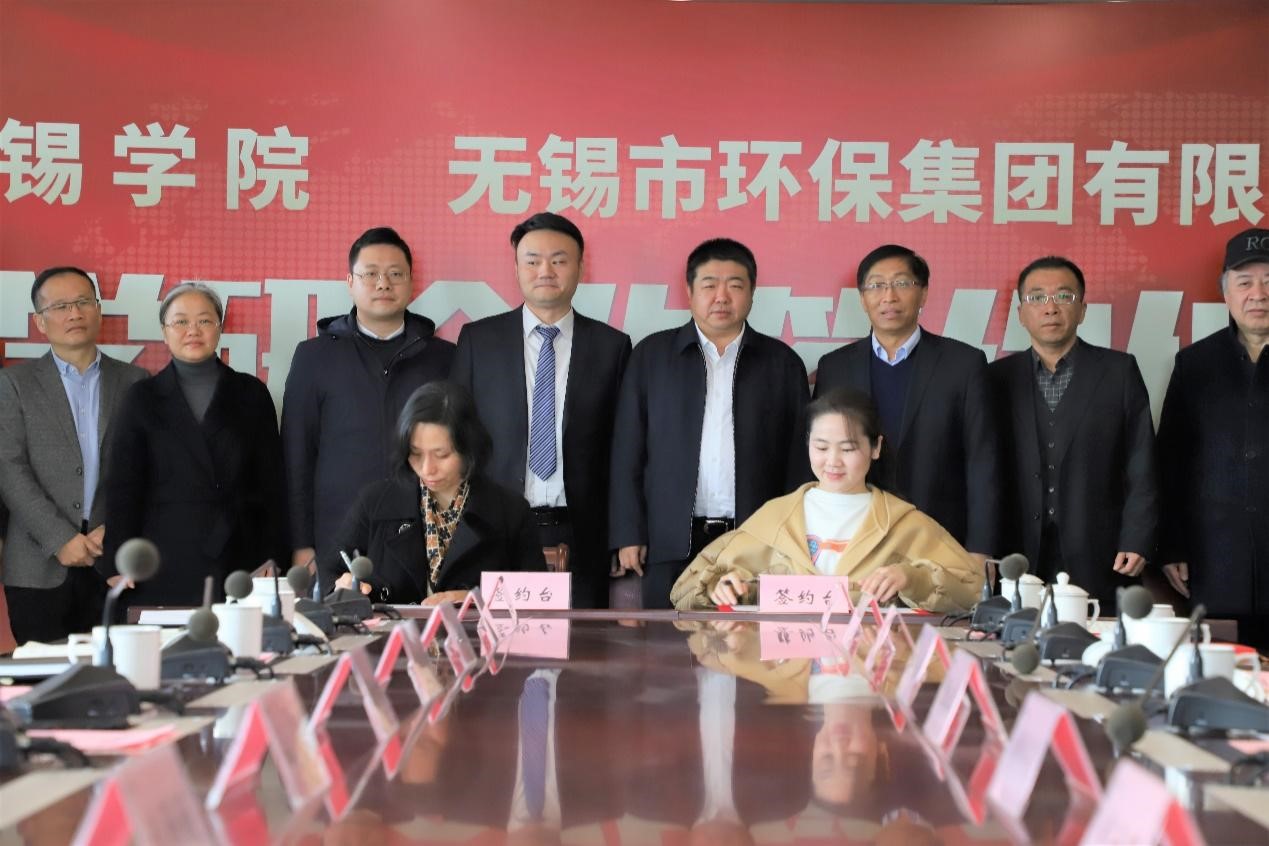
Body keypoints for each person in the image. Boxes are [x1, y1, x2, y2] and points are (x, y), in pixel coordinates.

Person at [609, 238, 809, 608]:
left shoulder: (782, 364)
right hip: (668, 541)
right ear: (689, 291)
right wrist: (628, 532)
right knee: (666, 640)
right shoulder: (652, 357)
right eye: (709, 285)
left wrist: (790, 539)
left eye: (735, 285)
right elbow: (627, 451)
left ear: (752, 293)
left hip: (755, 543)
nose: (721, 297)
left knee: (748, 640)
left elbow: (799, 461)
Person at [452, 212, 631, 608]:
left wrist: (622, 534)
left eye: (559, 260)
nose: (545, 271)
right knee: (497, 641)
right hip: (495, 530)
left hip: (581, 532)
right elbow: (458, 437)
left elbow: (624, 449)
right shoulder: (479, 341)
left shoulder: (611, 347)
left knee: (582, 644)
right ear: (516, 268)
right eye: (532, 260)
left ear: (581, 268)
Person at [671, 388, 981, 613]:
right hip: (787, 677)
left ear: (876, 447)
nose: (832, 461)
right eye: (821, 447)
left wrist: (912, 578)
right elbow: (683, 591)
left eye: (847, 449)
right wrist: (722, 587)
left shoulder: (905, 524)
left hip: (869, 675)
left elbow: (974, 590)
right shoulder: (775, 517)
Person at [100, 283, 287, 607]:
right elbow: (123, 486)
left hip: (241, 555)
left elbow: (272, 485)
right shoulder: (142, 398)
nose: (193, 330)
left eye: (204, 320)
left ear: (220, 327)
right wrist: (118, 558)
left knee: (238, 636)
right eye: (181, 321)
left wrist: (273, 555)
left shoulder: (251, 393)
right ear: (164, 331)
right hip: (163, 554)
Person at [813, 245, 999, 569]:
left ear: (923, 293)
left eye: (902, 283)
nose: (889, 296)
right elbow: (820, 457)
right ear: (862, 298)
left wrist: (980, 550)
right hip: (850, 542)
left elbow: (983, 462)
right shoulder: (835, 367)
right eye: (876, 285)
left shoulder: (964, 364)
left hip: (941, 540)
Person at [283, 227, 454, 578]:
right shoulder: (314, 357)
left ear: (411, 282)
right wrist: (301, 543)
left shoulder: (444, 358)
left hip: (426, 537)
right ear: (350, 282)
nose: (383, 284)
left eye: (395, 274)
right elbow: (296, 455)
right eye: (370, 274)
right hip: (337, 539)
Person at [989, 257, 1157, 607]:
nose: (1050, 308)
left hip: (1101, 551)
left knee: (1097, 637)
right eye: (1037, 297)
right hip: (1016, 552)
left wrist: (1137, 537)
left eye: (1063, 296)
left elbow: (1142, 463)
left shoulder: (1118, 372)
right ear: (1020, 313)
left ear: (1082, 309)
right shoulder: (996, 379)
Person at [0, 267, 146, 642]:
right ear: (40, 321)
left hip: (112, 561)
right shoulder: (13, 384)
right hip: (37, 566)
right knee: (43, 672)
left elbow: (146, 470)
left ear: (98, 310)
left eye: (83, 302)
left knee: (115, 671)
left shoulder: (136, 382)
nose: (74, 313)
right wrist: (59, 538)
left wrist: (114, 527)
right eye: (61, 306)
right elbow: (8, 469)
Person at [323, 381, 544, 606]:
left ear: (469, 448)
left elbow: (540, 595)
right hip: (393, 629)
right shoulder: (376, 502)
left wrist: (477, 598)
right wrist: (341, 585)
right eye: (416, 454)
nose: (427, 469)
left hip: (473, 629)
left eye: (442, 454)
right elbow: (327, 573)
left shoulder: (510, 512)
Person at [1157, 227, 1269, 650]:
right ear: (1226, 294)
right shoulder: (1195, 364)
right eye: (1245, 282)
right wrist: (1171, 545)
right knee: (1222, 674)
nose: (1258, 294)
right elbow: (1170, 461)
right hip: (1216, 561)